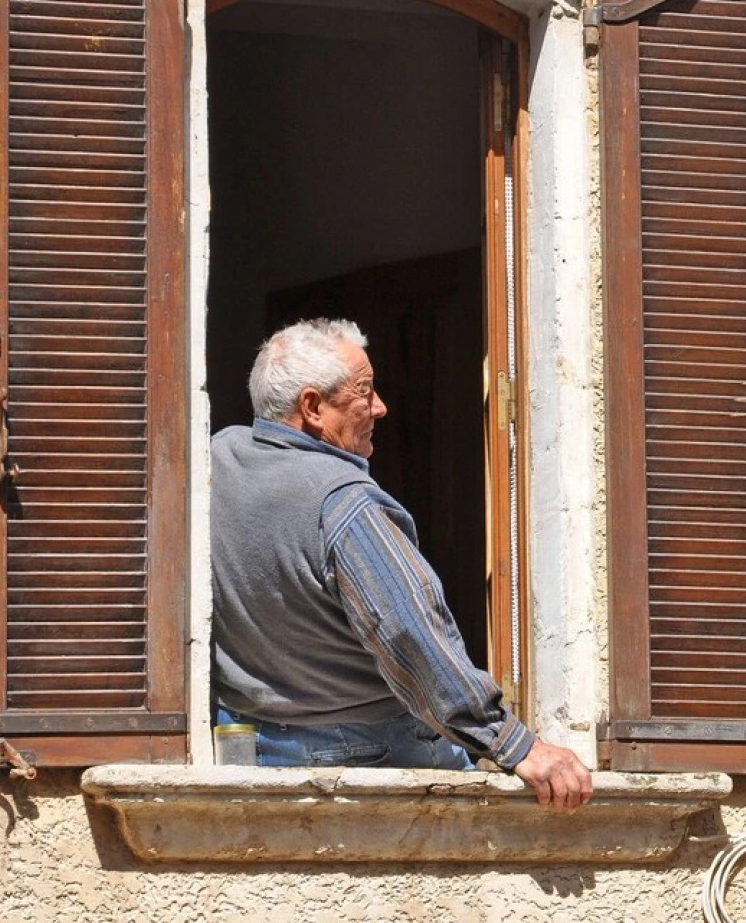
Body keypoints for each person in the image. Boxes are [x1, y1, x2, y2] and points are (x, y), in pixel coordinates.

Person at [210, 318, 592, 813]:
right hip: (369, 748)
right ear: (312, 407)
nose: (380, 407)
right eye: (364, 393)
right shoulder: (348, 507)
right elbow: (411, 635)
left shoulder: (217, 460)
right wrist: (515, 744)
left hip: (254, 744)